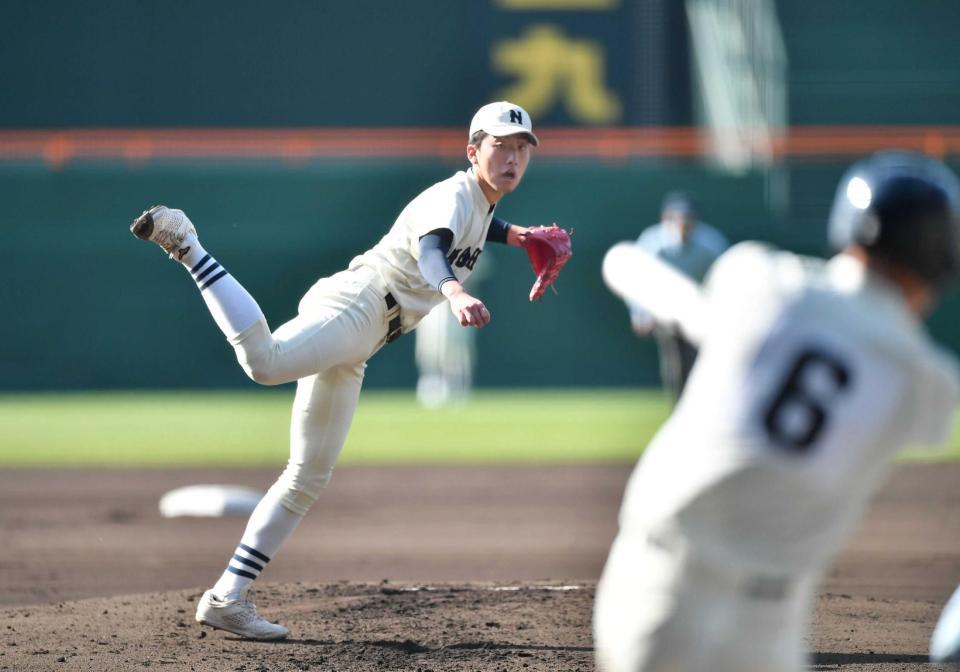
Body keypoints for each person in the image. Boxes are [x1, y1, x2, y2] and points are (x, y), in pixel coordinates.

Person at [130, 101, 541, 640]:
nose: (511, 157)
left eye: (520, 148)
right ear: (473, 152)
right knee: (265, 363)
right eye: (499, 146)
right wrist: (454, 291)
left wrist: (519, 236)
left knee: (306, 477)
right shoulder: (453, 194)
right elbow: (434, 248)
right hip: (360, 303)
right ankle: (188, 246)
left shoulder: (480, 203)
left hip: (365, 339)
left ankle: (227, 598)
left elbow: (477, 227)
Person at [595, 150, 960, 672]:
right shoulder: (927, 384)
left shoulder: (761, 277)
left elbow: (632, 268)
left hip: (658, 587)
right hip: (767, 619)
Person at [626, 192, 728, 400]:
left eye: (687, 218)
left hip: (700, 307)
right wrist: (640, 313)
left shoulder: (711, 244)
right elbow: (635, 279)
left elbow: (725, 278)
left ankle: (698, 404)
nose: (683, 224)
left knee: (699, 360)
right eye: (677, 218)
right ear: (666, 220)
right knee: (674, 358)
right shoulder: (652, 244)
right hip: (665, 306)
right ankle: (679, 404)